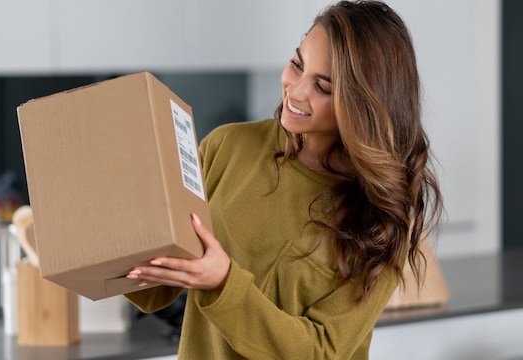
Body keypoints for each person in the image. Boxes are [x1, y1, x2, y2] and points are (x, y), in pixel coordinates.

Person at [125, 1, 444, 358]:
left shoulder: (377, 220)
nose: (295, 91)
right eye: (296, 64)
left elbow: (320, 351)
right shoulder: (227, 147)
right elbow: (152, 290)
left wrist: (223, 283)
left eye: (323, 87)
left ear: (364, 104)